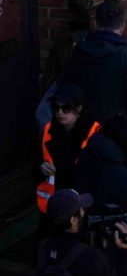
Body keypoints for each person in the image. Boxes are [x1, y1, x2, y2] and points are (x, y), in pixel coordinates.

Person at [59, 0, 127, 125]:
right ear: (122, 26)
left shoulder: (78, 51)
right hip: (115, 131)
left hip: (82, 130)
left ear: (96, 23)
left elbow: (65, 90)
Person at [35, 83, 98, 229]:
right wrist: (41, 169)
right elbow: (36, 167)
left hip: (81, 206)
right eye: (56, 108)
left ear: (79, 108)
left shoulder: (93, 133)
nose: (60, 112)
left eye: (66, 108)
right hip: (54, 206)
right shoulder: (49, 131)